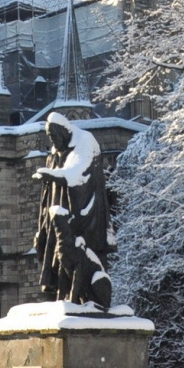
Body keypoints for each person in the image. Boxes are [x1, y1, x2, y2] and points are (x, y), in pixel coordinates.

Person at [32, 111, 114, 304]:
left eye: (54, 136)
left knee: (78, 257)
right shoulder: (55, 153)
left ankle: (82, 299)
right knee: (56, 255)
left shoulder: (86, 142)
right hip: (59, 213)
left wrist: (48, 174)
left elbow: (76, 175)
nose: (52, 142)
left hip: (85, 216)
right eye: (49, 138)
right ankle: (61, 295)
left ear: (63, 131)